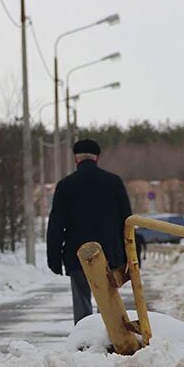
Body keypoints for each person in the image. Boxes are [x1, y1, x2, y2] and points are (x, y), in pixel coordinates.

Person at [46, 139, 133, 324]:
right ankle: (113, 338)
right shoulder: (114, 182)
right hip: (111, 255)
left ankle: (85, 342)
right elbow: (127, 220)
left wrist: (54, 258)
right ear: (97, 158)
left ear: (76, 159)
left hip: (77, 255)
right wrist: (130, 255)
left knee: (82, 302)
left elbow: (56, 224)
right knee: (109, 300)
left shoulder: (66, 185)